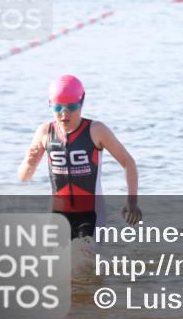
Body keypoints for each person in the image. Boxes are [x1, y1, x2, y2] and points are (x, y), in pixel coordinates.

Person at [18, 75, 142, 241]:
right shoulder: (45, 132)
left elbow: (129, 163)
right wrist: (28, 163)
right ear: (50, 104)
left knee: (83, 260)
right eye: (58, 108)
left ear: (82, 102)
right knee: (56, 264)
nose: (64, 114)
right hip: (57, 215)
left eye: (71, 107)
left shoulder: (96, 130)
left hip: (91, 214)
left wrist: (132, 201)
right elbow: (24, 177)